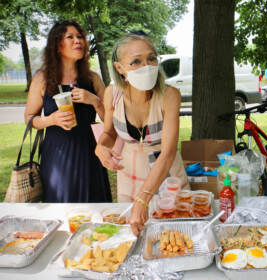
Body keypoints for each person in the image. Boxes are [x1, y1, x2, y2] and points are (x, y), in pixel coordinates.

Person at [95, 33, 189, 235]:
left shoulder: (169, 95)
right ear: (119, 67)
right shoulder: (113, 93)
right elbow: (109, 133)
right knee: (131, 234)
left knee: (174, 234)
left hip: (166, 175)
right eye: (136, 61)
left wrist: (143, 198)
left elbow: (168, 152)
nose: (147, 66)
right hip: (128, 173)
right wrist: (101, 146)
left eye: (152, 58)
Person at [24, 20, 112, 202]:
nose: (78, 41)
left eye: (79, 37)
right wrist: (51, 120)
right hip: (58, 154)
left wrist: (94, 101)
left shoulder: (92, 78)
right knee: (62, 206)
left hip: (91, 152)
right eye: (70, 37)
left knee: (93, 206)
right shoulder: (42, 79)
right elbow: (29, 118)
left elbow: (111, 119)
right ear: (57, 46)